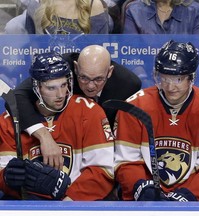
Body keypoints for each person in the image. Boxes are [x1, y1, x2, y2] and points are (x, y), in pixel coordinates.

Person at [114, 40, 199, 201]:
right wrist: (142, 187)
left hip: (195, 199)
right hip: (147, 199)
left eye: (178, 79)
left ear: (191, 78)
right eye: (164, 78)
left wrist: (186, 196)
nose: (170, 87)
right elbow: (125, 162)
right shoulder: (135, 107)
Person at [0, 51, 114, 200]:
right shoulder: (10, 122)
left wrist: (69, 202)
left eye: (63, 85)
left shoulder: (90, 112)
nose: (61, 94)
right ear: (37, 87)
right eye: (51, 88)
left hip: (75, 205)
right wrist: (8, 179)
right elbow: (2, 176)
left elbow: (104, 171)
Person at [13, 45, 142, 171]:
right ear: (75, 68)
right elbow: (15, 97)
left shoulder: (128, 84)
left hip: (101, 149)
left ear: (109, 72)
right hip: (65, 141)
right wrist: (44, 136)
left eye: (98, 79)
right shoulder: (59, 68)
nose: (90, 86)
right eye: (84, 78)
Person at [25, 0, 111, 34]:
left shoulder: (94, 6)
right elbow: (33, 50)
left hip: (84, 71)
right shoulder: (36, 6)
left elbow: (101, 52)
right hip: (48, 71)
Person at [122, 0, 199, 34]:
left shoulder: (196, 12)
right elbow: (131, 57)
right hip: (144, 70)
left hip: (184, 70)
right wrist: (141, 72)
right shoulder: (134, 11)